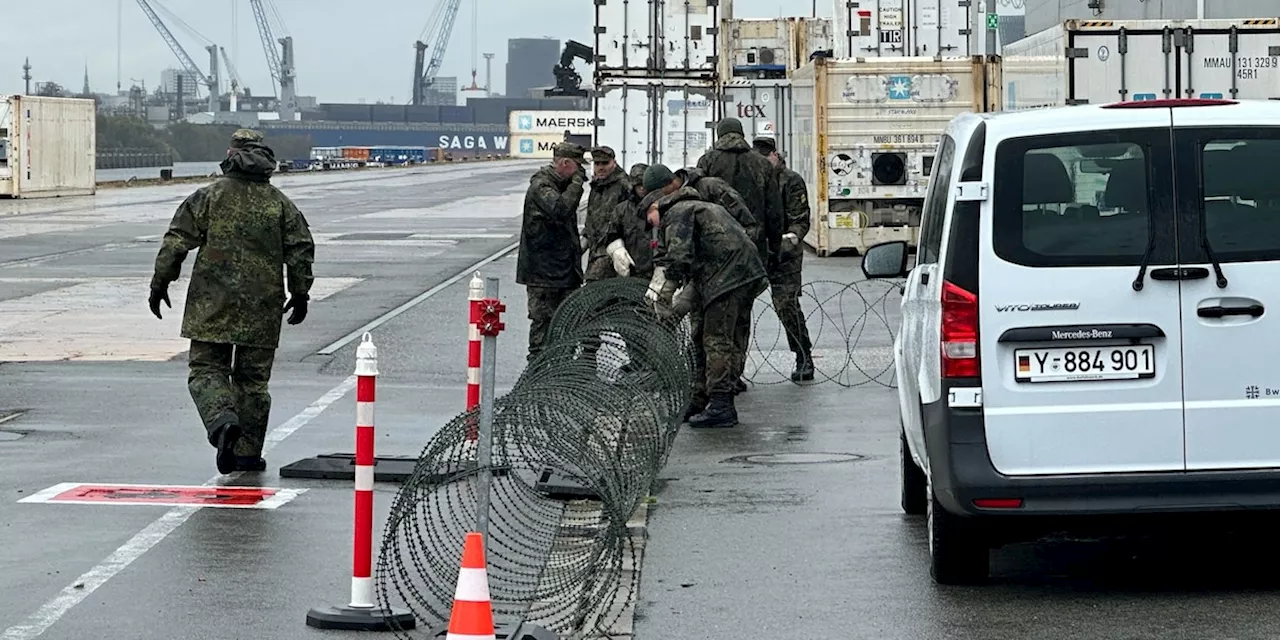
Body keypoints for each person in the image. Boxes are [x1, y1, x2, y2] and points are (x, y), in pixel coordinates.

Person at [148, 128, 315, 475]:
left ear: (230, 154)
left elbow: (176, 240)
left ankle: (222, 421)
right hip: (263, 305)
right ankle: (248, 454)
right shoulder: (279, 204)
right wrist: (300, 293)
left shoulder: (208, 197)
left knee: (206, 369)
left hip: (212, 304)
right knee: (253, 381)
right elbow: (300, 250)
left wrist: (160, 282)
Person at [644, 186, 768, 428]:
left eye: (650, 220)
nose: (653, 227)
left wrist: (665, 294)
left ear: (655, 207)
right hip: (743, 274)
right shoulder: (702, 207)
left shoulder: (678, 212)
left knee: (716, 339)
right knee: (707, 335)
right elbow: (698, 266)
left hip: (727, 277)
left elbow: (679, 259)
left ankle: (722, 405)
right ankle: (700, 399)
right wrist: (680, 307)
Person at [695, 117, 785, 393]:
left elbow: (697, 202)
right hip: (751, 251)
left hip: (714, 251)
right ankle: (734, 373)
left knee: (709, 319)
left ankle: (710, 377)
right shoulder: (760, 163)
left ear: (720, 134)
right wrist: (774, 249)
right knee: (740, 316)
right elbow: (774, 211)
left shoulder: (708, 161)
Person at [516, 141, 587, 361]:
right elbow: (561, 209)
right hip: (543, 274)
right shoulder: (542, 186)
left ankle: (561, 369)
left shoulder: (560, 185)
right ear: (565, 163)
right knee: (543, 324)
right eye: (577, 166)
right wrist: (576, 184)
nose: (581, 172)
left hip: (563, 271)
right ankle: (537, 372)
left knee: (567, 323)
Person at [754, 136, 815, 381]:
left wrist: (790, 239)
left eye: (767, 156)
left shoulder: (790, 181)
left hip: (784, 254)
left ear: (776, 155)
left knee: (786, 305)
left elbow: (800, 219)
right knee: (737, 309)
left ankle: (803, 355)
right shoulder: (753, 180)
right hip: (756, 250)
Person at [583, 146, 634, 282]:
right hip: (596, 252)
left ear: (614, 162)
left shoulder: (624, 185)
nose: (600, 167)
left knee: (595, 292)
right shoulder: (597, 186)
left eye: (605, 163)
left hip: (615, 251)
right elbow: (591, 220)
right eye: (597, 163)